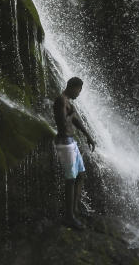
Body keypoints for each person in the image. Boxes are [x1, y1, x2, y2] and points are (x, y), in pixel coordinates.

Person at [53, 76, 95, 230]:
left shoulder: (67, 103)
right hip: (64, 142)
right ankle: (69, 217)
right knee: (70, 180)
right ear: (73, 87)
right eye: (78, 90)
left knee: (81, 175)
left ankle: (75, 209)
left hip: (71, 142)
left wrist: (88, 136)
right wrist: (72, 113)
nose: (78, 94)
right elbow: (63, 122)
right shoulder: (61, 100)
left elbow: (76, 121)